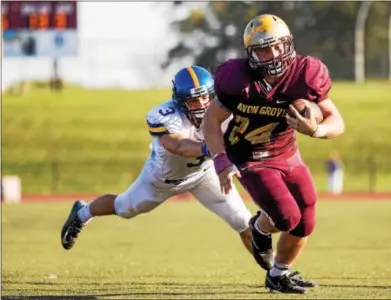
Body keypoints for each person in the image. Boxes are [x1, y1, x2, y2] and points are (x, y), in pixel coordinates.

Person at [60, 66, 263, 269]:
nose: (201, 105)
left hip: (204, 174)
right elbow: (178, 145)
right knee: (123, 208)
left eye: (205, 98)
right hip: (161, 180)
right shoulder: (166, 115)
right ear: (180, 102)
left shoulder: (227, 110)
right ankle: (82, 213)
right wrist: (213, 148)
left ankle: (273, 272)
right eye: (193, 101)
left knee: (243, 221)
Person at [202, 14, 345, 294]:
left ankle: (278, 274)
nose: (275, 54)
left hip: (286, 153)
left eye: (279, 45)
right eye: (265, 48)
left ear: (289, 43)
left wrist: (315, 128)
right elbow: (210, 120)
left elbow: (337, 121)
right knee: (287, 218)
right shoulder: (237, 79)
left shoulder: (306, 73)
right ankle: (259, 227)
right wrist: (221, 159)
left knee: (306, 220)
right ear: (251, 53)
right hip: (250, 156)